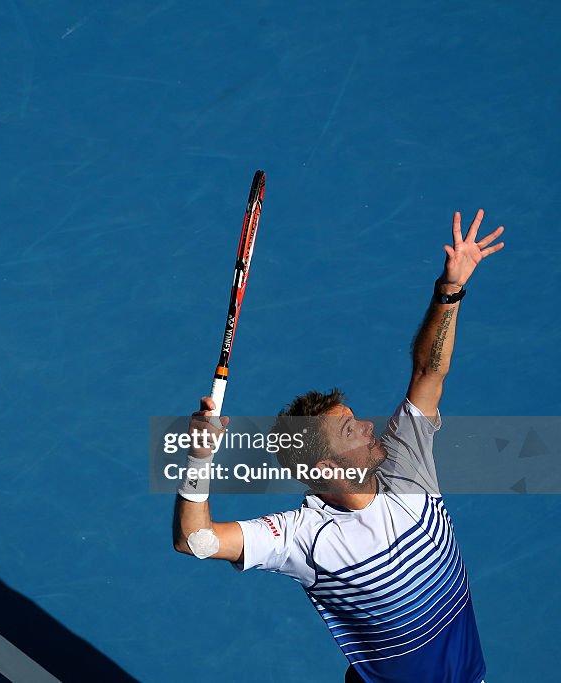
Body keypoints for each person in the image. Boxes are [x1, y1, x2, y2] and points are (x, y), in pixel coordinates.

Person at [172, 210, 504, 683]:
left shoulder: (406, 466)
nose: (369, 428)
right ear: (325, 465)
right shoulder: (303, 537)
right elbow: (196, 542)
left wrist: (448, 291)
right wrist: (199, 459)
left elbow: (428, 372)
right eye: (350, 430)